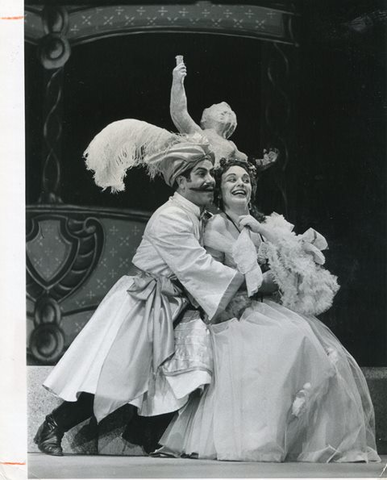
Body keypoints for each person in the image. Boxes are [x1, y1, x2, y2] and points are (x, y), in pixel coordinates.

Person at [34, 121, 245, 457]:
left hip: (167, 302)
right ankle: (54, 425)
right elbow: (196, 266)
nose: (210, 181)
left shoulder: (197, 214)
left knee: (177, 372)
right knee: (115, 375)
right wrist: (249, 280)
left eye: (210, 173)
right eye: (201, 174)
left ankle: (143, 434)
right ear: (181, 180)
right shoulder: (172, 217)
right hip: (140, 301)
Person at [158, 158, 380, 463]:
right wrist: (261, 283)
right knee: (288, 339)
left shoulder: (265, 226)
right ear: (220, 191)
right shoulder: (217, 225)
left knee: (319, 346)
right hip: (232, 312)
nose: (240, 184)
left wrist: (282, 272)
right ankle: (258, 439)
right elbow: (212, 278)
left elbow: (286, 271)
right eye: (231, 180)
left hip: (266, 307)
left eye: (245, 180)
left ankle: (303, 438)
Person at [170, 57, 277, 170]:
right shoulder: (199, 133)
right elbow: (179, 112)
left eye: (229, 113)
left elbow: (248, 164)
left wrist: (265, 161)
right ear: (204, 119)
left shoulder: (231, 146)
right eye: (218, 110)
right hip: (201, 178)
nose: (226, 112)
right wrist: (177, 80)